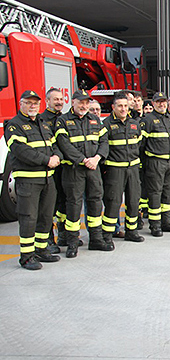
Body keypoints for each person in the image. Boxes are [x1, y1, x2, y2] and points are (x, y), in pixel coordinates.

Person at [4, 90, 62, 269]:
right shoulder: (14, 125)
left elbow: (55, 146)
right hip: (28, 181)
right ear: (21, 104)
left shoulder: (43, 124)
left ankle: (42, 250)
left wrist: (57, 157)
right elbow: (21, 151)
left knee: (45, 217)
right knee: (28, 218)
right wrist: (47, 160)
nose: (32, 106)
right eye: (28, 103)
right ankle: (27, 256)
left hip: (47, 179)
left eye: (35, 103)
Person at [55, 90, 110, 257]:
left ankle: (96, 239)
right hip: (74, 170)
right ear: (73, 102)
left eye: (87, 103)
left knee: (95, 202)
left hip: (94, 168)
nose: (84, 106)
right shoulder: (62, 121)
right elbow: (63, 145)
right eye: (81, 102)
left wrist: (97, 158)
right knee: (73, 205)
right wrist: (83, 160)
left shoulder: (94, 120)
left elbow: (104, 141)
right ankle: (72, 243)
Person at [102, 91, 145, 244]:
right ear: (113, 107)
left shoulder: (134, 123)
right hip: (115, 170)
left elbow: (139, 143)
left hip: (132, 169)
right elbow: (104, 147)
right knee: (113, 202)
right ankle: (107, 235)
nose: (123, 109)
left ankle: (131, 231)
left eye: (125, 106)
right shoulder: (106, 125)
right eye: (119, 106)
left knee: (134, 201)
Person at [139, 92, 170, 236]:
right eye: (158, 102)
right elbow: (141, 145)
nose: (162, 104)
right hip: (155, 162)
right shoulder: (147, 120)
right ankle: (155, 225)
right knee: (155, 193)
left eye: (164, 102)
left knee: (169, 193)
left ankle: (167, 222)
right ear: (153, 104)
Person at [39, 88, 65, 253]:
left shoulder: (65, 118)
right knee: (48, 206)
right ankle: (49, 239)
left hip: (66, 168)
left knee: (64, 203)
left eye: (61, 99)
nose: (59, 102)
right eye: (55, 99)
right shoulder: (41, 120)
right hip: (50, 169)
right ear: (47, 101)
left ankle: (63, 234)